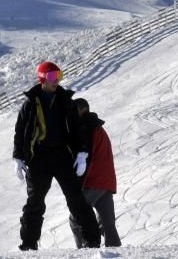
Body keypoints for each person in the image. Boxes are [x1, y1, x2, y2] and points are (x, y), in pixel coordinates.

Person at [13, 61, 100, 251]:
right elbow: (21, 131)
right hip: (39, 158)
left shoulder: (66, 101)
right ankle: (28, 244)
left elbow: (79, 129)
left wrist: (82, 153)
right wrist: (18, 158)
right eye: (53, 77)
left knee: (75, 198)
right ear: (43, 79)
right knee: (35, 202)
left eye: (59, 76)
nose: (57, 81)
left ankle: (92, 240)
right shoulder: (30, 104)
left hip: (62, 155)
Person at [69, 99, 121, 248]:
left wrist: (78, 183)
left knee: (76, 218)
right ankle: (115, 253)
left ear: (79, 111)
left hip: (94, 181)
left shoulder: (86, 127)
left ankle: (83, 253)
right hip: (106, 181)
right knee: (107, 225)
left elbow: (88, 158)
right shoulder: (97, 127)